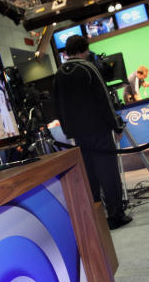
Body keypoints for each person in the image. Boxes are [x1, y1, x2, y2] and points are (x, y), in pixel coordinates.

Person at [53, 35, 132, 229]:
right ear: (84, 50)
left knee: (89, 177)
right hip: (98, 130)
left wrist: (68, 130)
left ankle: (95, 219)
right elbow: (104, 100)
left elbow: (57, 106)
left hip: (77, 135)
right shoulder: (89, 68)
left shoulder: (59, 74)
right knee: (108, 173)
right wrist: (117, 126)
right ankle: (115, 216)